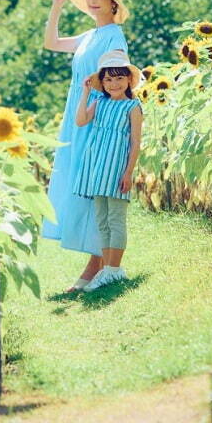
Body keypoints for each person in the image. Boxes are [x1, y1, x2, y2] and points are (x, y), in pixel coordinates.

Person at [42, 0, 130, 292]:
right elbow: (51, 43)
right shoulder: (90, 35)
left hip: (96, 118)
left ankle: (98, 265)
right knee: (77, 179)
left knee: (93, 185)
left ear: (112, 3)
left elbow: (118, 82)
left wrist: (104, 119)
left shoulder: (114, 37)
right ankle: (98, 263)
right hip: (76, 114)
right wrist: (57, 7)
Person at [72, 51, 143, 291]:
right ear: (101, 83)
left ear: (128, 80)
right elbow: (80, 121)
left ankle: (114, 269)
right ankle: (106, 270)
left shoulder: (133, 106)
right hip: (97, 167)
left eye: (119, 78)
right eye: (109, 79)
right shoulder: (99, 102)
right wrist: (85, 92)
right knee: (101, 220)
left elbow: (135, 142)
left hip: (116, 168)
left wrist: (128, 173)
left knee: (115, 218)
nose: (114, 84)